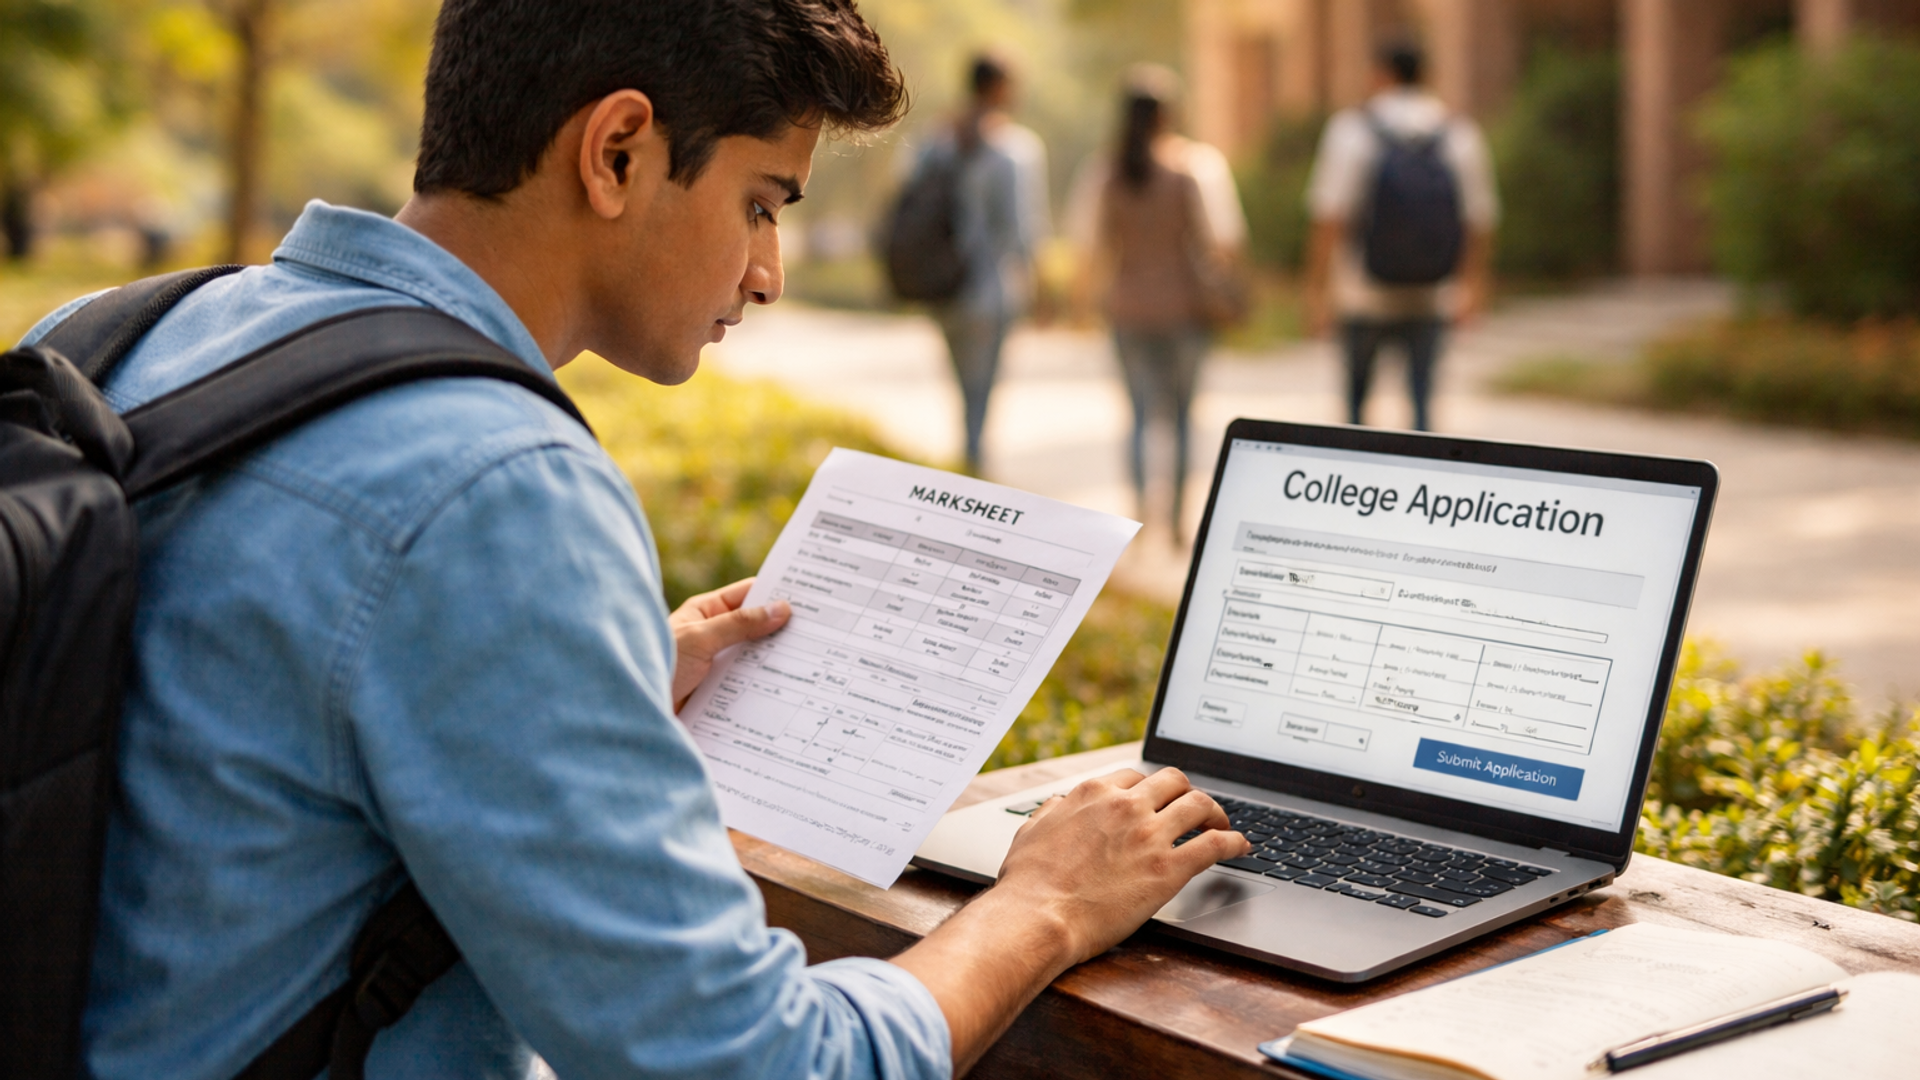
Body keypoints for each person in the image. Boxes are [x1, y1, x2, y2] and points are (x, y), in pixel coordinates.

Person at [16, 3, 1247, 1078]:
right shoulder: (499, 488)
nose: (767, 272)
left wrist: (589, 680)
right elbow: (753, 1063)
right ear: (616, 151)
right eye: (760, 203)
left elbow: (212, 720)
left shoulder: (120, 332)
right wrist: (1045, 904)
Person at [1068, 65, 1246, 543]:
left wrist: (1081, 307)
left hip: (1128, 309)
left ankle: (1138, 521)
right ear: (1170, 114)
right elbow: (1224, 241)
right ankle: (1178, 524)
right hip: (1185, 309)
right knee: (1184, 417)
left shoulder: (1106, 171)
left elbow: (1089, 247)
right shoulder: (1196, 167)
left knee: (1140, 416)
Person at [1303, 40, 1499, 433]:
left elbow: (1329, 218)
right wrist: (1472, 286)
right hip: (1432, 294)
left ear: (1381, 74)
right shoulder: (1458, 132)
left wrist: (1317, 292)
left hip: (1362, 293)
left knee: (1357, 412)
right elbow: (1479, 218)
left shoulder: (1352, 130)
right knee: (1423, 408)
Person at [907, 52, 1050, 475]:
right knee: (981, 390)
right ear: (1002, 88)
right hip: (990, 290)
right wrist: (1042, 288)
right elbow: (1024, 228)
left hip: (942, 286)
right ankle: (974, 464)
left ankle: (968, 459)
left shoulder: (935, 142)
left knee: (962, 386)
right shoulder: (1015, 150)